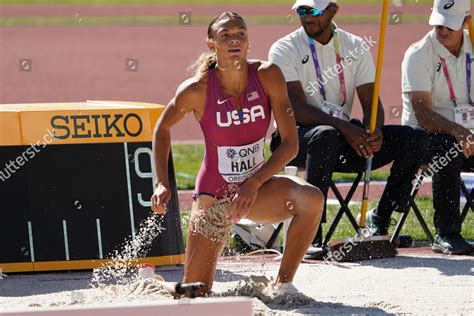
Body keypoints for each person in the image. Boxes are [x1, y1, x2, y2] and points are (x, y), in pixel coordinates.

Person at [150, 12, 324, 296]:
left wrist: (253, 184)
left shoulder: (268, 75)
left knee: (311, 199)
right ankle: (156, 285)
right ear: (211, 44)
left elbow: (290, 144)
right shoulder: (196, 90)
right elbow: (162, 129)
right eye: (225, 35)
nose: (234, 40)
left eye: (240, 34)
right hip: (214, 197)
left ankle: (283, 285)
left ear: (248, 41)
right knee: (196, 291)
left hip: (257, 190)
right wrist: (162, 182)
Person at [268, 0, 428, 254]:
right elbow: (294, 108)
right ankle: (310, 235)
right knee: (325, 135)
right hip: (293, 141)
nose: (308, 17)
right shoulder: (284, 48)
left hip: (339, 139)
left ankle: (381, 219)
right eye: (302, 10)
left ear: (333, 10)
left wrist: (373, 131)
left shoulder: (355, 46)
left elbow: (371, 103)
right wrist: (344, 127)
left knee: (415, 139)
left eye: (315, 11)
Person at [399, 0, 472, 255]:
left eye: (449, 26)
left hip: (468, 135)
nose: (442, 31)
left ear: (465, 22)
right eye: (438, 24)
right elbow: (422, 113)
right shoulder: (418, 54)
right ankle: (447, 232)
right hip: (423, 138)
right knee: (447, 148)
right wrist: (458, 131)